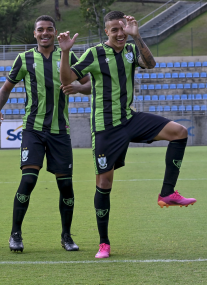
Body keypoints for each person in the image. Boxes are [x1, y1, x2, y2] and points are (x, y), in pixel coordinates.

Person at [58, 11, 196, 259]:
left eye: (122, 28)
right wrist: (67, 52)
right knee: (104, 184)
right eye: (114, 30)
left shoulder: (131, 50)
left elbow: (151, 64)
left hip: (129, 118)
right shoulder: (94, 54)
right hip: (105, 128)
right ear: (106, 32)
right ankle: (104, 243)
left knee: (179, 132)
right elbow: (67, 78)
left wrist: (138, 36)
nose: (120, 33)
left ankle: (167, 193)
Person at [0, 15, 91, 253]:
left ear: (55, 33)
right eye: (40, 30)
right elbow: (6, 88)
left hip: (60, 131)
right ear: (34, 34)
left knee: (66, 186)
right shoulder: (24, 59)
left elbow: (89, 84)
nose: (44, 33)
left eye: (49, 29)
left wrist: (78, 87)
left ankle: (66, 236)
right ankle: (15, 234)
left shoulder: (68, 56)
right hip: (33, 130)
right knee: (28, 180)